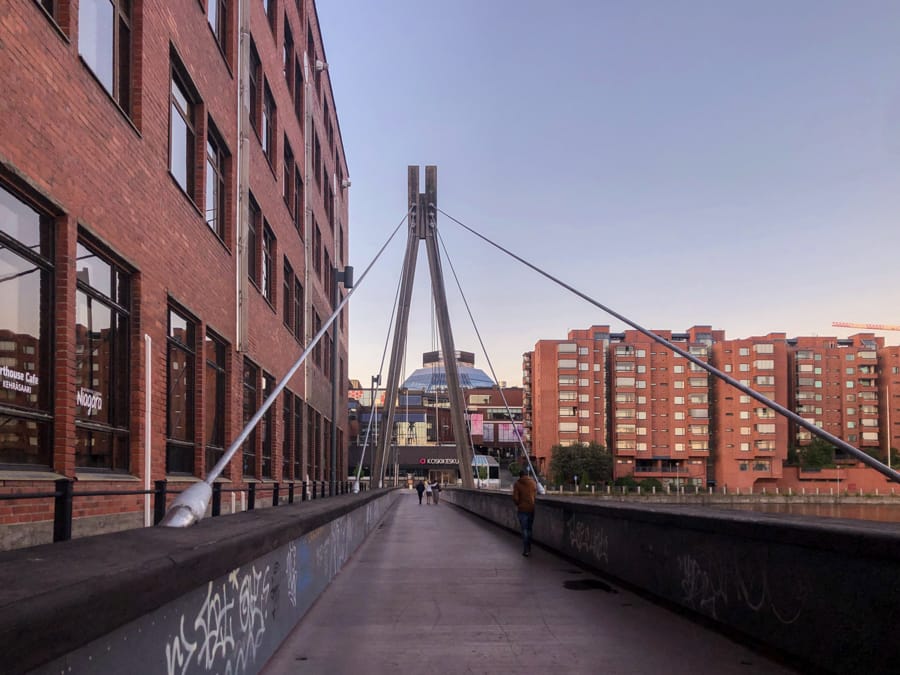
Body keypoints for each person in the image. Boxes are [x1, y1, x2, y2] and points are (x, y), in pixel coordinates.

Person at [512, 469, 537, 556]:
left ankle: (526, 550)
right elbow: (535, 494)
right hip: (531, 508)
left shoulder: (517, 484)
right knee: (529, 529)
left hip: (522, 509)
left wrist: (518, 504)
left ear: (520, 476)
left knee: (525, 530)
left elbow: (515, 498)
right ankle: (529, 548)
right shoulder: (533, 483)